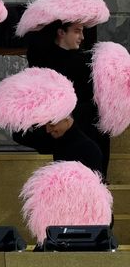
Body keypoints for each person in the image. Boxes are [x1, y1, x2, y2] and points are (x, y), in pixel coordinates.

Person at [13, 21, 106, 176]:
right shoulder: (41, 60)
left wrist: (67, 115)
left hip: (79, 130)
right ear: (61, 33)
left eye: (82, 32)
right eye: (77, 31)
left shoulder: (86, 63)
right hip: (54, 131)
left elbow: (93, 106)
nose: (82, 37)